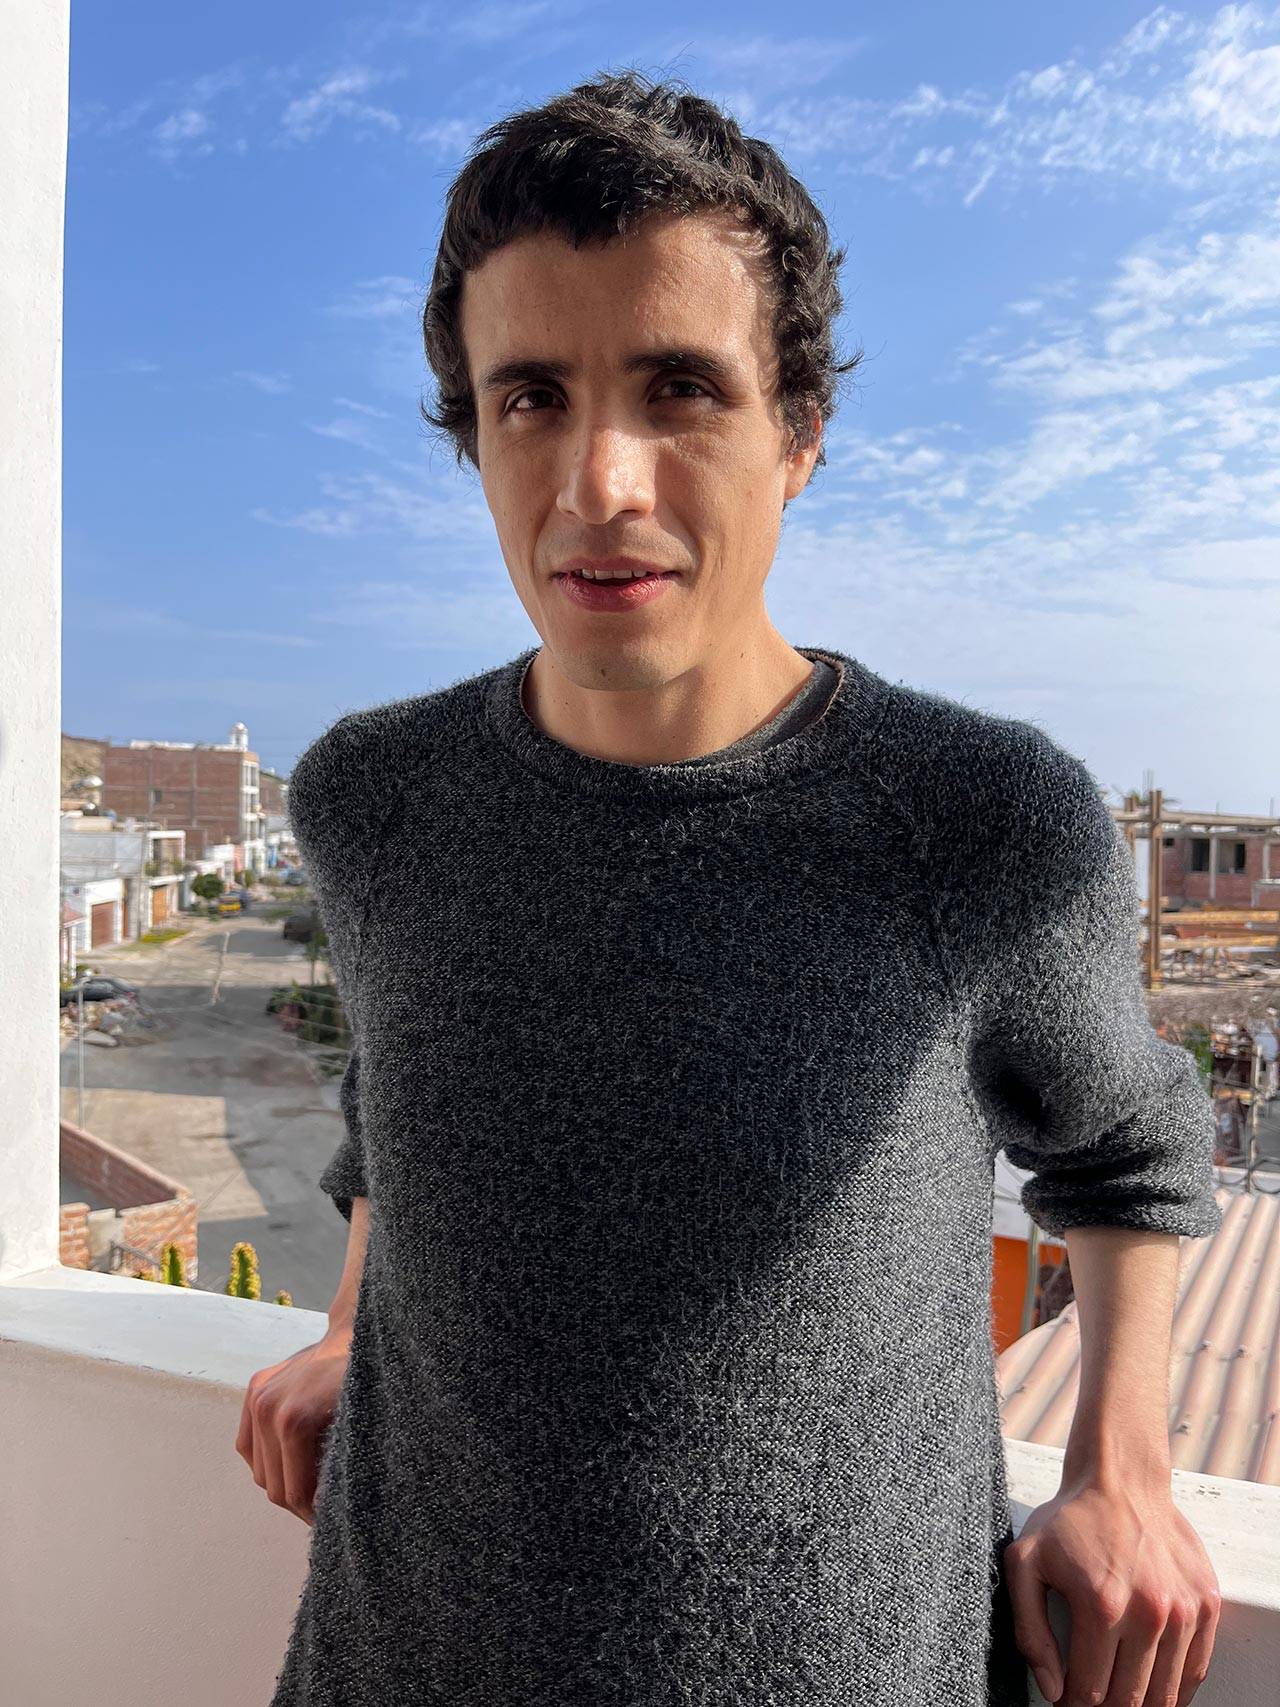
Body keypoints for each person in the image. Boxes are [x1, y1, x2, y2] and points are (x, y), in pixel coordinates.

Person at [240, 68, 1224, 1707]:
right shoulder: (374, 797)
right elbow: (391, 1099)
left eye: (680, 388)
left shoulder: (977, 821)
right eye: (531, 396)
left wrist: (1121, 1474)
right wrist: (351, 1325)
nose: (598, 485)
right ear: (474, 435)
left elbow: (1127, 1146)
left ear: (799, 436)